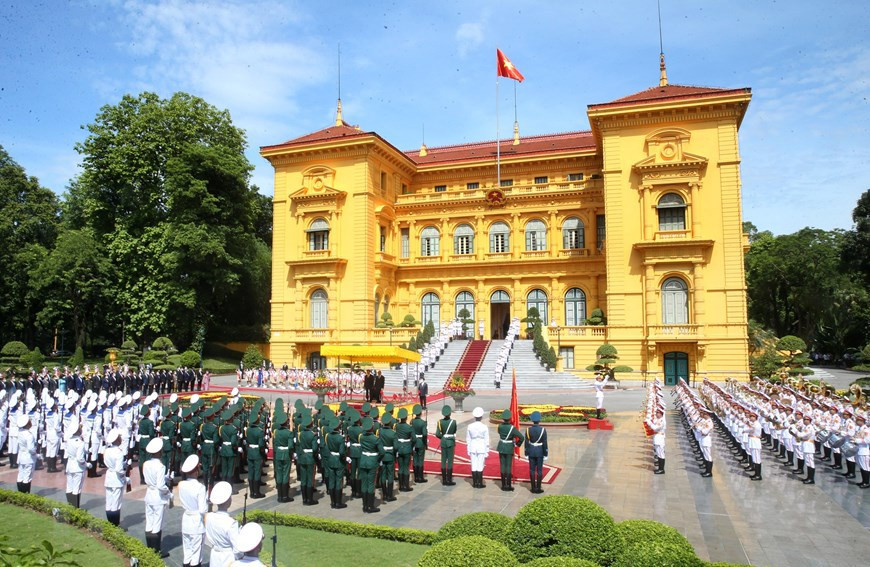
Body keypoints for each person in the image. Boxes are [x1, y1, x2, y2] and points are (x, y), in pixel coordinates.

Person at [143, 436, 172, 558]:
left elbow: (149, 480)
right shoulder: (160, 466)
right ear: (159, 451)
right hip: (158, 496)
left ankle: (150, 548)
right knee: (157, 523)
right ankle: (156, 550)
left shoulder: (146, 463)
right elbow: (160, 485)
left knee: (149, 522)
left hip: (149, 494)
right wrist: (168, 492)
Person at [179, 455, 208, 567]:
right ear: (196, 470)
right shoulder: (200, 487)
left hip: (186, 519)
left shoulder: (182, 485)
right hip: (196, 522)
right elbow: (203, 509)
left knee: (187, 553)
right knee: (196, 555)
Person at [205, 481, 242, 566]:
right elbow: (238, 550)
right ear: (228, 500)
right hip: (227, 557)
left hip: (214, 555)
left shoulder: (209, 517)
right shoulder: (231, 523)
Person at [103, 428, 128, 526]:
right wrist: (125, 477)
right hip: (116, 479)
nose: (121, 438)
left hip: (109, 476)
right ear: (116, 439)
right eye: (119, 437)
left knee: (109, 502)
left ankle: (110, 524)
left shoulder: (107, 450)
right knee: (116, 503)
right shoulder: (119, 452)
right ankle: (115, 525)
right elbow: (119, 470)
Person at [323, 417, 347, 509]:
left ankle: (332, 502)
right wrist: (344, 458)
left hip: (331, 459)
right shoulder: (340, 438)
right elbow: (341, 452)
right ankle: (338, 502)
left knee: (332, 480)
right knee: (338, 481)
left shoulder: (328, 436)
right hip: (338, 461)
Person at [496, 409, 524, 491]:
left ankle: (503, 485)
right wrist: (517, 444)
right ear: (510, 418)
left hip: (501, 446)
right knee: (508, 466)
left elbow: (500, 433)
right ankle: (508, 485)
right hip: (508, 447)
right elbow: (522, 438)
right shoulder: (512, 428)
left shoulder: (499, 426)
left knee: (502, 465)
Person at [64, 417, 87, 507]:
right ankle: (75, 508)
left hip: (69, 466)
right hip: (78, 467)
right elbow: (80, 458)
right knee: (77, 489)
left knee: (69, 487)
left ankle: (70, 506)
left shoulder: (69, 440)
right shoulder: (80, 443)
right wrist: (86, 464)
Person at [524, 411, 548, 494]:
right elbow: (545, 442)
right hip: (540, 451)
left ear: (532, 420)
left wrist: (526, 453)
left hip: (531, 451)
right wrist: (546, 453)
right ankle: (538, 487)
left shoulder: (528, 430)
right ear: (539, 420)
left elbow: (526, 442)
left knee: (532, 470)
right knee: (540, 470)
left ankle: (533, 487)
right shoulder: (543, 430)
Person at [466, 407, 490, 488]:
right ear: (481, 417)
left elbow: (468, 439)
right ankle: (479, 483)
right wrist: (487, 450)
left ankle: (474, 483)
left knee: (473, 464)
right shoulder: (484, 427)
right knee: (480, 464)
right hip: (481, 446)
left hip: (473, 446)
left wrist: (468, 449)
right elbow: (486, 440)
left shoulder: (470, 426)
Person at [435, 405, 457, 486]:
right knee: (450, 461)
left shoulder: (440, 422)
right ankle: (449, 479)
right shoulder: (453, 422)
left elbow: (437, 434)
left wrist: (443, 437)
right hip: (450, 442)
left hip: (443, 442)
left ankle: (444, 480)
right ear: (450, 413)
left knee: (443, 460)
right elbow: (454, 431)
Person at [395, 408, 414, 492]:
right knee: (406, 467)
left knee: (400, 467)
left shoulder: (397, 426)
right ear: (406, 417)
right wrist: (411, 446)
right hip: (406, 448)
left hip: (399, 448)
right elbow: (414, 439)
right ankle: (406, 486)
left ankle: (400, 485)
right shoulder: (409, 427)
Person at [379, 413, 397, 502]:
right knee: (390, 475)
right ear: (390, 421)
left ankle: (384, 494)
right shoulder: (393, 433)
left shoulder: (380, 431)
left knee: (383, 474)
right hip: (390, 455)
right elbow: (396, 446)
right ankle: (390, 495)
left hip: (382, 456)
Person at [16, 414, 36, 493]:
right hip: (28, 457)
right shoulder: (29, 435)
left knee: (20, 475)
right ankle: (26, 494)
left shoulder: (20, 432)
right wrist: (36, 454)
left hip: (21, 456)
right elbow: (31, 448)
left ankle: (20, 494)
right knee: (27, 477)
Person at [411, 404, 428, 484]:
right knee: (420, 459)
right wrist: (425, 443)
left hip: (414, 442)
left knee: (415, 459)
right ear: (420, 412)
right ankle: (420, 477)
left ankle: (416, 477)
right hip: (420, 442)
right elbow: (424, 434)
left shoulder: (412, 421)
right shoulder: (422, 423)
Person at [695, 409, 714, 478]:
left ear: (707, 414)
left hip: (706, 440)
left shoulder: (709, 422)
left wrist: (698, 427)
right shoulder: (705, 421)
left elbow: (705, 432)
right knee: (705, 455)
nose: (701, 415)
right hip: (703, 439)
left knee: (708, 456)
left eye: (703, 414)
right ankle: (706, 470)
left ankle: (709, 472)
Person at [650, 408, 666, 474]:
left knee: (661, 454)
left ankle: (661, 469)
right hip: (657, 438)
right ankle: (660, 467)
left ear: (661, 414)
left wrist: (649, 423)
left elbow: (656, 428)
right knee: (659, 453)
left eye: (658, 413)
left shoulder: (662, 421)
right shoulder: (658, 420)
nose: (656, 414)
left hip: (660, 439)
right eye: (656, 412)